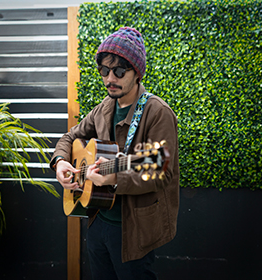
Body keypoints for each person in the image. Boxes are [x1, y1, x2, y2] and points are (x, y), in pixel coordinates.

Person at [50, 27, 179, 280]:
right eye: (105, 71)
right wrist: (61, 161)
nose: (111, 78)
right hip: (98, 221)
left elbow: (161, 171)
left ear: (137, 72)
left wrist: (113, 179)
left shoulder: (157, 112)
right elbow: (70, 136)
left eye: (120, 71)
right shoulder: (103, 108)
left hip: (133, 232)